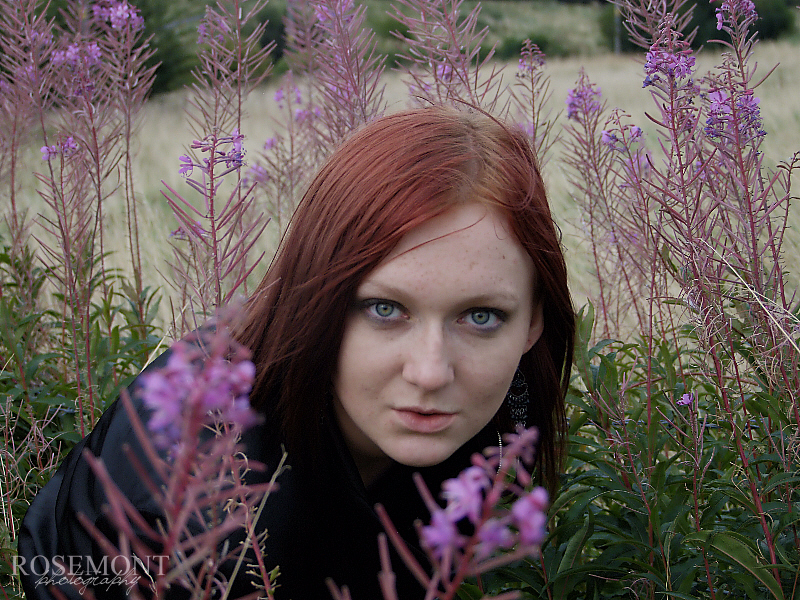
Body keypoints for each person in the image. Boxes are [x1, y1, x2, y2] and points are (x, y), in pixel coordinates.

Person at [18, 106, 575, 600]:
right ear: (316, 296)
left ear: (533, 323)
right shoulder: (203, 487)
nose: (430, 372)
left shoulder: (510, 422)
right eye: (384, 309)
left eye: (481, 317)